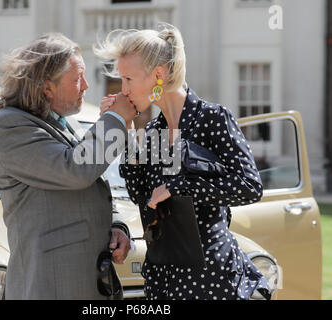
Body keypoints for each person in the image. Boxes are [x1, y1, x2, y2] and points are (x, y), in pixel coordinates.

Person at [94, 23, 272, 300]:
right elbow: (140, 196)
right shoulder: (153, 132)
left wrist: (180, 187)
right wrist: (127, 130)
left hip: (212, 280)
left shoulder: (212, 118)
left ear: (158, 75)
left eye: (128, 79)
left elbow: (249, 186)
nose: (123, 89)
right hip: (163, 280)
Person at [0, 33, 137, 299]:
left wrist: (116, 226)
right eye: (77, 78)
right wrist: (114, 119)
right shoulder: (9, 126)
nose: (86, 86)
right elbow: (75, 170)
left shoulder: (60, 121)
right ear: (47, 88)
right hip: (50, 286)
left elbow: (92, 185)